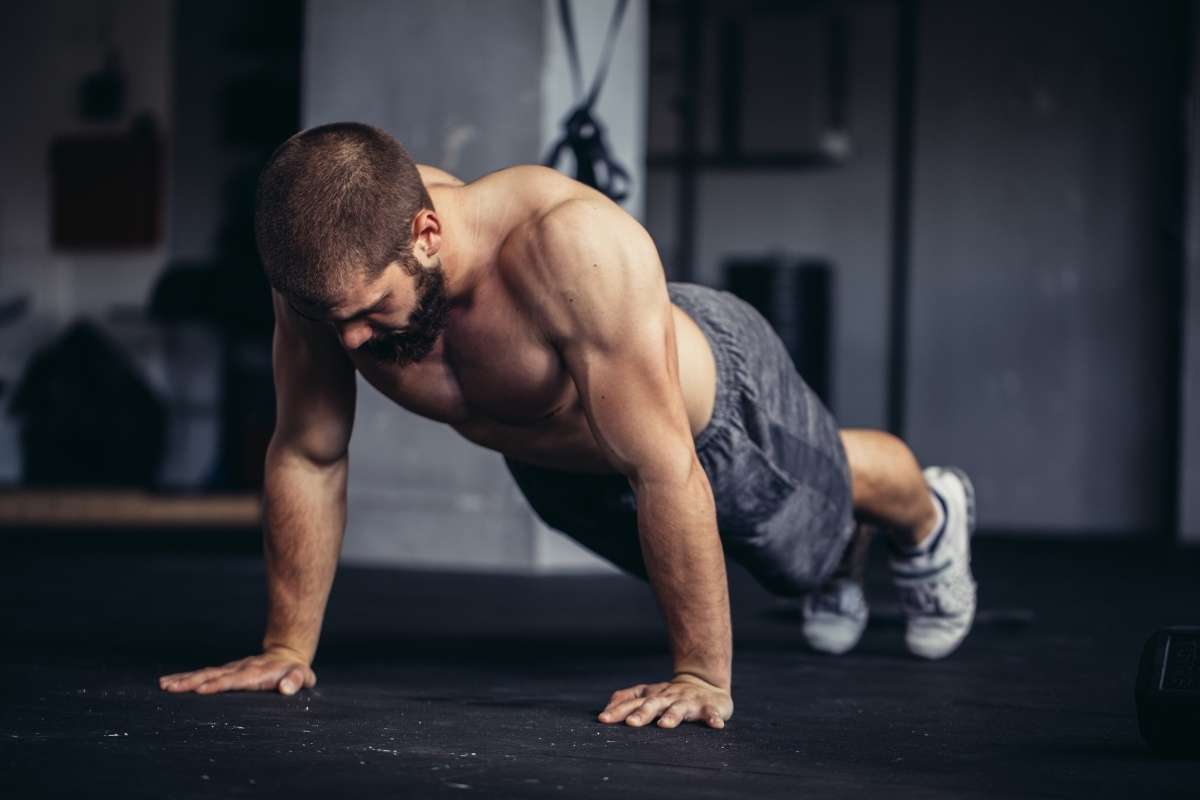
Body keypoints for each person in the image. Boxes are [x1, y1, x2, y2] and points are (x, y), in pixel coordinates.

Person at [159, 123, 977, 730]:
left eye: (372, 313)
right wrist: (285, 649)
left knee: (812, 523)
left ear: (427, 235)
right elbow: (308, 451)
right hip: (563, 467)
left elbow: (666, 469)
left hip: (714, 408)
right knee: (782, 561)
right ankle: (834, 557)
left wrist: (699, 675)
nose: (349, 343)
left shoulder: (568, 247)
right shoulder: (332, 274)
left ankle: (930, 513)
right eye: (332, 320)